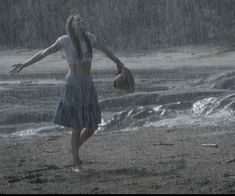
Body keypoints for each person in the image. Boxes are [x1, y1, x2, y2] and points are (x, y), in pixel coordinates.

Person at [9, 14, 126, 172]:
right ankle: (76, 164)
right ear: (71, 24)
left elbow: (106, 51)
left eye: (82, 19)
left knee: (92, 125)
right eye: (77, 20)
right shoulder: (64, 40)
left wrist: (118, 62)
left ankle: (75, 148)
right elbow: (44, 53)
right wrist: (24, 64)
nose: (81, 21)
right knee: (77, 125)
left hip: (87, 85)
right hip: (73, 85)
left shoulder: (90, 38)